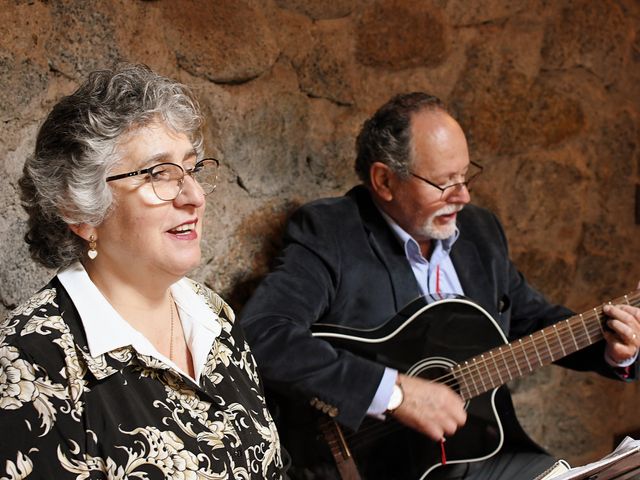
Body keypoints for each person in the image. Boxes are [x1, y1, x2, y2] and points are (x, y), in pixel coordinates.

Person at [239, 92, 640, 479]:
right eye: (444, 182)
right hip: (371, 464)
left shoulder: (480, 233)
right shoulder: (332, 234)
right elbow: (262, 334)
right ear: (384, 181)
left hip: (480, 451)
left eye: (465, 176)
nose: (463, 196)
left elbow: (534, 320)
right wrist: (394, 393)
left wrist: (610, 347)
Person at [0, 64, 287, 479]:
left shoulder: (211, 314)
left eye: (191, 169)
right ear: (80, 211)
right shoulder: (29, 364)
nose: (193, 196)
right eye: (159, 174)